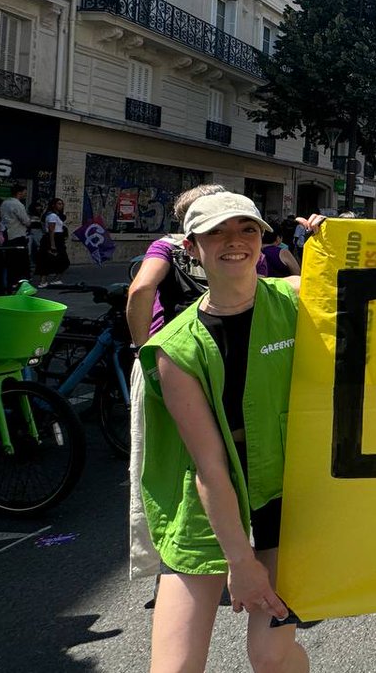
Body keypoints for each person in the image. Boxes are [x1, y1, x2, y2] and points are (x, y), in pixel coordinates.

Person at [138, 192, 324, 672]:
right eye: (216, 232)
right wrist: (240, 563)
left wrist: (338, 242)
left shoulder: (297, 298)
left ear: (262, 238)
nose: (234, 241)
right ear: (191, 247)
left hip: (283, 496)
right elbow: (209, 466)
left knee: (270, 655)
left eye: (246, 229)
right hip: (207, 503)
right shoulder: (174, 347)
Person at [127, 183, 231, 582]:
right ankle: (230, 549)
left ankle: (167, 560)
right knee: (221, 457)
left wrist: (142, 348)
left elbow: (141, 287)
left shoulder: (167, 247)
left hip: (170, 358)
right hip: (222, 357)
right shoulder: (238, 244)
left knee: (159, 463)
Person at [0, 183, 31, 290]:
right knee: (21, 263)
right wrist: (29, 222)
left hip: (7, 234)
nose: (25, 195)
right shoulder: (18, 204)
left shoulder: (4, 203)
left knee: (10, 263)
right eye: (24, 192)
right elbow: (26, 220)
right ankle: (20, 285)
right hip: (18, 235)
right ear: (19, 193)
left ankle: (10, 284)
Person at [36, 197, 70, 286]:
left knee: (49, 260)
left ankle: (50, 280)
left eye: (62, 204)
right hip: (54, 239)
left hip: (56, 238)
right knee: (60, 260)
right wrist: (53, 244)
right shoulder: (52, 216)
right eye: (59, 204)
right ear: (53, 205)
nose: (61, 206)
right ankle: (45, 280)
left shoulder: (55, 215)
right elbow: (51, 230)